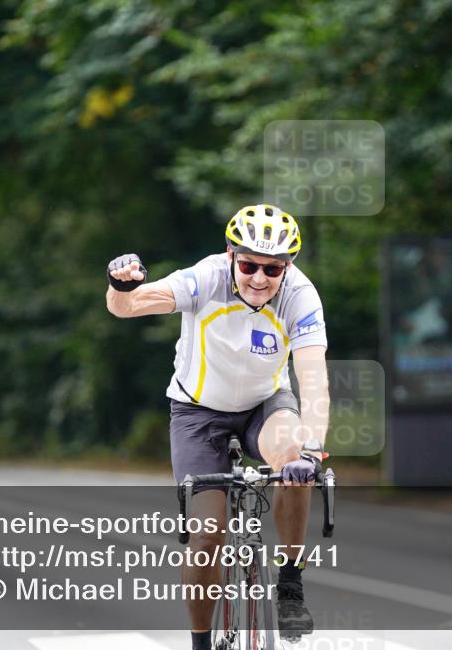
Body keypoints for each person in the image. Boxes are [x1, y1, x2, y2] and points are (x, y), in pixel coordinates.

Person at [106, 205, 329, 650]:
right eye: (248, 266)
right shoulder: (206, 278)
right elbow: (125, 307)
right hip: (198, 412)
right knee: (208, 534)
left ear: (287, 267)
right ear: (231, 256)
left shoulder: (301, 296)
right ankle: (201, 643)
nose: (259, 279)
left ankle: (290, 581)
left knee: (295, 460)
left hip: (264, 404)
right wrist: (120, 285)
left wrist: (312, 450)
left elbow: (313, 379)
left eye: (272, 269)